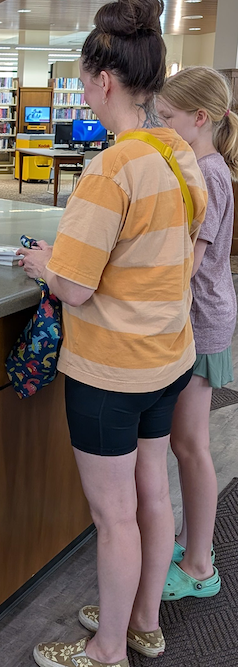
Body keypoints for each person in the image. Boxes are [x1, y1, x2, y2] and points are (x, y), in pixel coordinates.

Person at [17, 0, 208, 667]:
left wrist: (44, 262)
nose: (82, 94)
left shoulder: (111, 168)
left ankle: (105, 650)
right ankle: (144, 621)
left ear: (103, 80)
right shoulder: (178, 153)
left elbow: (74, 284)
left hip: (111, 369)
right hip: (169, 357)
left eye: (82, 81)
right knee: (153, 493)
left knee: (112, 516)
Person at [155, 66, 237, 601]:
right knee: (191, 445)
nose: (162, 128)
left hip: (202, 323)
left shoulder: (206, 174)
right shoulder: (210, 166)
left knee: (189, 445)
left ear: (200, 119)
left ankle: (201, 563)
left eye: (168, 119)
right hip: (210, 316)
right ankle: (193, 544)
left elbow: (188, 263)